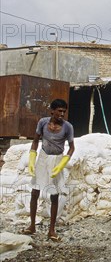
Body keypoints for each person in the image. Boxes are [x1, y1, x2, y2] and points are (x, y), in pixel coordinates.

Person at [24, 98, 75, 241]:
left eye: (64, 111)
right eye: (59, 111)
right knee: (35, 191)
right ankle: (32, 225)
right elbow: (35, 141)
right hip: (43, 157)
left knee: (54, 195)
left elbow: (72, 147)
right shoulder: (43, 123)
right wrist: (32, 157)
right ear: (52, 111)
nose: (62, 114)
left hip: (57, 159)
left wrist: (63, 162)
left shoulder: (67, 127)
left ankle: (51, 230)